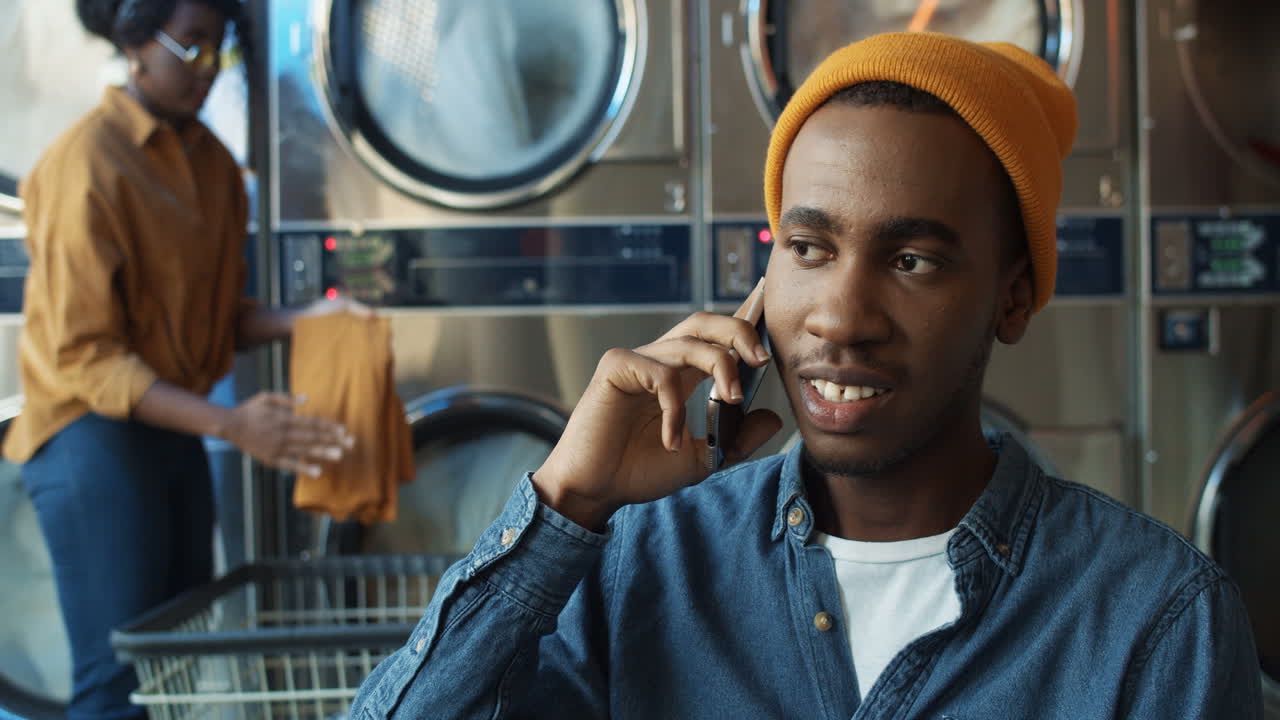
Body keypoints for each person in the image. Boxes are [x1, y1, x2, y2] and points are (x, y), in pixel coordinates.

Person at [349, 33, 1263, 719]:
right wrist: (566, 502)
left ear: (1012, 298)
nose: (840, 317)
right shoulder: (648, 561)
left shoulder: (1154, 620)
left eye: (911, 261)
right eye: (809, 248)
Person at [5, 2, 364, 718]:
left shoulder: (214, 167)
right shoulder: (86, 163)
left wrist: (308, 321)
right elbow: (88, 359)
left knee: (172, 666)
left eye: (218, 50)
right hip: (88, 437)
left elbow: (215, 320)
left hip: (170, 427)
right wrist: (231, 425)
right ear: (136, 43)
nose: (207, 69)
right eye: (191, 45)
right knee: (118, 679)